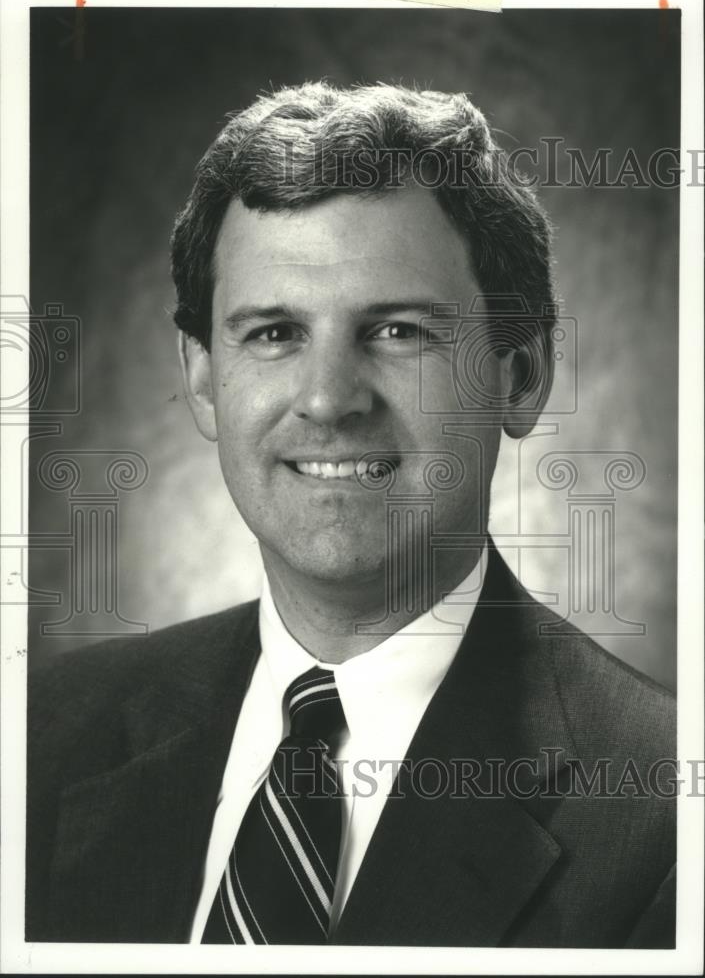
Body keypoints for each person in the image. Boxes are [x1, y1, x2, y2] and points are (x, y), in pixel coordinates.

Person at [26, 82, 675, 948]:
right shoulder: (39, 735)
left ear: (521, 375)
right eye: (273, 334)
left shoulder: (663, 812)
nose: (328, 400)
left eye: (399, 331)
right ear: (203, 379)